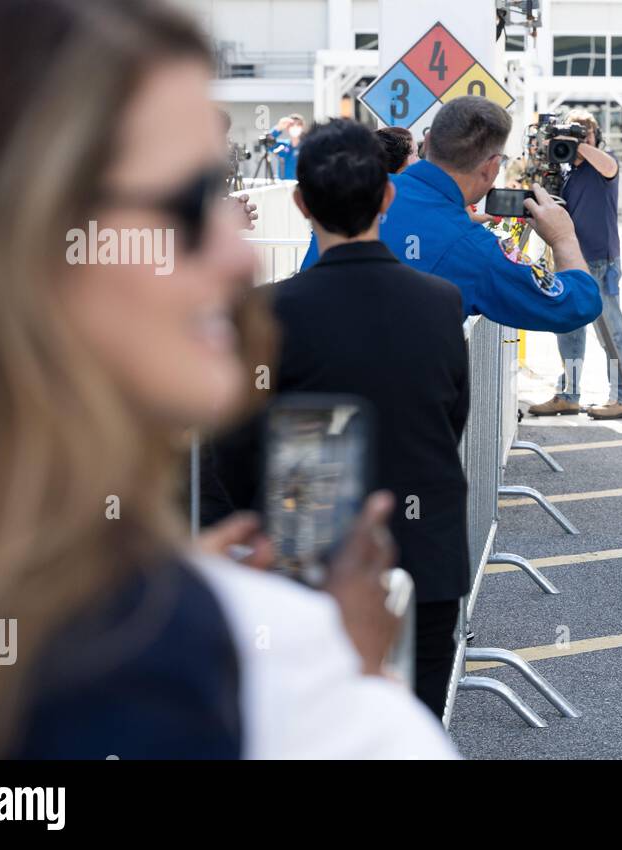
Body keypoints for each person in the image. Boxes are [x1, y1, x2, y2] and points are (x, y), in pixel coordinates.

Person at [0, 0, 455, 759]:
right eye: (195, 200)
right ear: (21, 238)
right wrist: (344, 680)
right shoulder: (251, 673)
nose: (239, 251)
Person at [201, 118, 471, 718]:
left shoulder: (268, 313)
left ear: (300, 203)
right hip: (423, 554)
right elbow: (449, 420)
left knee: (311, 725)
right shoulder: (440, 303)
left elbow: (235, 449)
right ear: (389, 195)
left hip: (305, 558)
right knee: (416, 723)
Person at [379, 97, 602, 332]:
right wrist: (563, 238)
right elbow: (577, 303)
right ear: (491, 166)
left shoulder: (362, 187)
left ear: (428, 141)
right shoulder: (476, 250)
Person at [528, 108, 622, 420]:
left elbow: (608, 165)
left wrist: (577, 141)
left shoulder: (602, 163)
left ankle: (620, 397)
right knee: (569, 332)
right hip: (568, 261)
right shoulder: (564, 171)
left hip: (601, 261)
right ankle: (569, 394)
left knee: (612, 333)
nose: (574, 144)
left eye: (584, 135)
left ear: (594, 137)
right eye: (570, 138)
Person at [298, 125, 419, 270]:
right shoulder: (419, 198)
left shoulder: (344, 195)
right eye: (415, 154)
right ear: (387, 195)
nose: (419, 161)